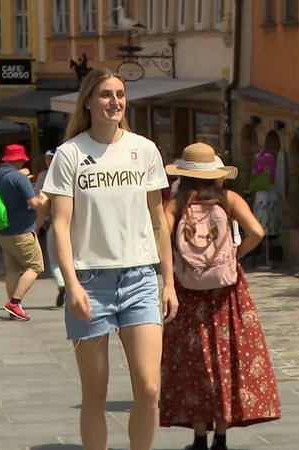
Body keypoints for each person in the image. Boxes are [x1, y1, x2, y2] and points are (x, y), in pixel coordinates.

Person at [42, 68, 178, 450]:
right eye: (105, 94)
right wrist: (71, 285)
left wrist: (168, 282)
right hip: (90, 282)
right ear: (87, 101)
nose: (114, 101)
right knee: (95, 394)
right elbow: (61, 226)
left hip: (139, 279)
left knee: (149, 388)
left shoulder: (144, 149)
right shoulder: (70, 154)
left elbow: (158, 222)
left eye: (120, 94)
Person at [161, 143, 281, 450]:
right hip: (225, 292)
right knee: (226, 357)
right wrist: (234, 255)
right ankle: (222, 437)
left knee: (194, 361)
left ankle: (199, 437)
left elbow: (159, 237)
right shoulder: (229, 199)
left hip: (188, 289)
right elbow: (257, 232)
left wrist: (171, 271)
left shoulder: (176, 204)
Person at [0, 144, 46, 321]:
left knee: (12, 269)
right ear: (19, 159)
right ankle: (15, 302)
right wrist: (44, 199)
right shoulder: (19, 178)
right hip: (21, 231)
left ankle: (13, 309)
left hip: (3, 230)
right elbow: (33, 203)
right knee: (35, 266)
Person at [35, 149, 66, 307]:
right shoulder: (68, 173)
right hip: (70, 223)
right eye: (46, 159)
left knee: (54, 259)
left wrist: (37, 226)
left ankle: (62, 282)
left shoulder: (45, 178)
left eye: (50, 159)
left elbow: (42, 203)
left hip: (54, 222)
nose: (48, 161)